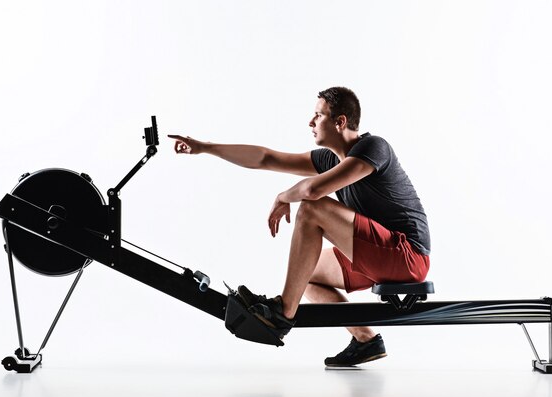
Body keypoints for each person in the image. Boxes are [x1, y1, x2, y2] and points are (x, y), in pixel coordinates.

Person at [168, 87, 431, 366]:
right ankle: (365, 339)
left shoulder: (373, 147)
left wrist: (282, 197)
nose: (311, 122)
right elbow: (266, 158)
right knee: (306, 273)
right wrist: (205, 148)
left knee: (311, 208)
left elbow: (314, 190)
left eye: (318, 116)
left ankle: (282, 313)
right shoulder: (330, 159)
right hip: (380, 253)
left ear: (340, 122)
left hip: (406, 256)